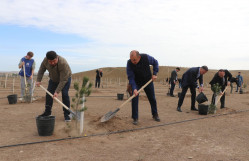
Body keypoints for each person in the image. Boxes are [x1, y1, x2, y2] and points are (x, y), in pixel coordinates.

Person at [36, 51, 72, 122]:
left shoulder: (63, 63)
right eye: (50, 61)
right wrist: (38, 80)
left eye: (54, 61)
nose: (52, 63)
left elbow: (63, 80)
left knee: (64, 94)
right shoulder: (45, 60)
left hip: (65, 79)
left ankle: (67, 114)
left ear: (57, 57)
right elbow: (41, 70)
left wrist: (57, 91)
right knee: (48, 94)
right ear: (47, 59)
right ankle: (47, 112)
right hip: (53, 79)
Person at [126, 50, 160, 125]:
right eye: (131, 60)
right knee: (134, 98)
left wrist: (155, 73)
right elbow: (131, 77)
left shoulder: (146, 57)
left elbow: (155, 62)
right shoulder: (129, 63)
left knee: (152, 98)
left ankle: (155, 114)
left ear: (139, 57)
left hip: (147, 80)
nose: (133, 62)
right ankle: (135, 118)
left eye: (134, 60)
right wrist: (134, 88)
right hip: (136, 82)